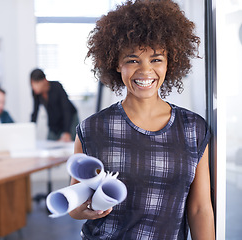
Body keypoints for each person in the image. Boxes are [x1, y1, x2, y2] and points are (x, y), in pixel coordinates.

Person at [68, 0, 215, 239]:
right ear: (117, 63)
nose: (145, 71)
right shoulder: (92, 129)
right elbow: (74, 203)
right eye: (133, 59)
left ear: (170, 62)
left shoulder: (193, 129)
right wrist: (85, 210)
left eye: (156, 59)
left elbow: (200, 209)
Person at [30, 68, 78, 142]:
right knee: (50, 142)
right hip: (54, 122)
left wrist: (67, 132)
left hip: (70, 119)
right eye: (32, 84)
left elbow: (66, 109)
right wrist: (30, 131)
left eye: (36, 83)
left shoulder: (57, 86)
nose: (34, 87)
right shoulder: (36, 93)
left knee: (70, 143)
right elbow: (35, 113)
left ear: (44, 81)